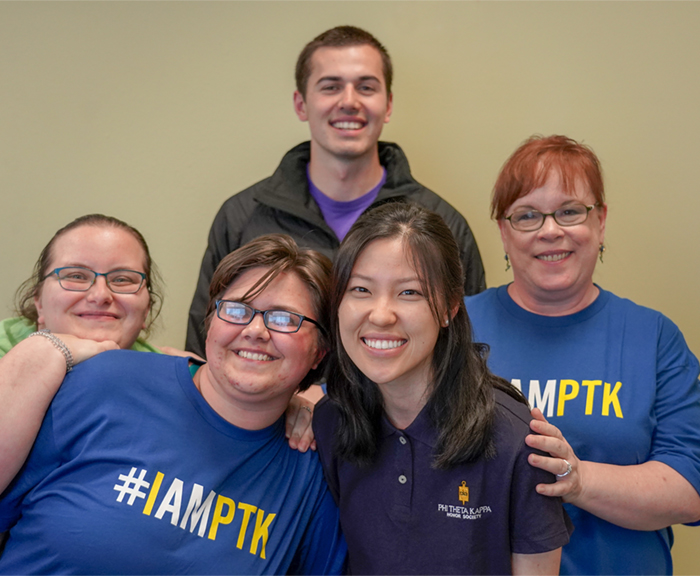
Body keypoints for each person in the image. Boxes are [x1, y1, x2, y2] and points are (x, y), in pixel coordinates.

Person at [0, 234, 346, 574]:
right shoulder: (102, 383)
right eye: (237, 310)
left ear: (320, 351)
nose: (256, 330)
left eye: (285, 319)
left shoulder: (314, 469)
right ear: (210, 323)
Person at [464, 135, 700, 575]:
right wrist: (306, 406)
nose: (550, 230)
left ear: (601, 221)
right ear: (503, 231)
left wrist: (578, 479)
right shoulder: (455, 327)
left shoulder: (654, 337)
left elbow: (690, 488)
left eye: (570, 211)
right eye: (527, 215)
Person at [186, 25, 485, 358]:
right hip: (273, 412)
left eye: (366, 87)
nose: (349, 101)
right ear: (301, 104)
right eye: (330, 87)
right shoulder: (243, 216)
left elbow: (469, 353)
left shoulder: (441, 224)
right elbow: (205, 349)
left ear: (387, 105)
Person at [313, 202, 571, 575]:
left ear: (450, 306)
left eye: (410, 293)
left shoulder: (516, 439)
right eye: (361, 289)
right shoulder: (331, 421)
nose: (381, 314)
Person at [0, 214, 165, 493]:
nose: (100, 295)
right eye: (76, 276)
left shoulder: (173, 382)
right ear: (38, 302)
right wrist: (45, 353)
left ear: (146, 310)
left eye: (123, 279)